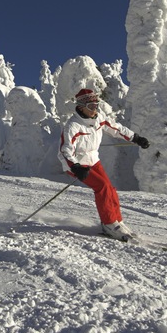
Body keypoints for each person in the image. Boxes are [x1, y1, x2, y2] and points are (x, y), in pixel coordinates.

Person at [58, 88, 150, 241]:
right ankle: (108, 224)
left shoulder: (98, 118)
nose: (95, 109)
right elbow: (65, 151)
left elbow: (116, 129)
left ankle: (117, 221)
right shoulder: (73, 126)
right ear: (81, 107)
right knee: (102, 187)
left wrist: (135, 138)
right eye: (91, 107)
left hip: (93, 160)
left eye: (96, 105)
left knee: (110, 189)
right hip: (76, 164)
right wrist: (75, 167)